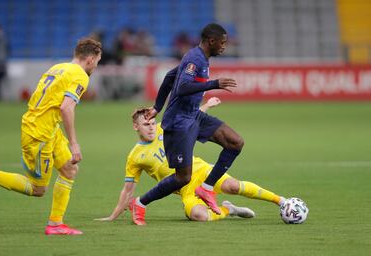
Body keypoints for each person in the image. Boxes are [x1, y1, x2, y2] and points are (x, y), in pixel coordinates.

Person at [0, 38, 102, 235]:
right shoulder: (80, 75)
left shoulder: (58, 67)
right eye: (97, 61)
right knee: (38, 189)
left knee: (70, 170)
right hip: (38, 135)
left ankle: (55, 224)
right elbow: (66, 107)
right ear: (90, 59)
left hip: (48, 128)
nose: (96, 65)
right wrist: (74, 144)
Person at [96, 99, 285, 224]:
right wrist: (113, 216)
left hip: (201, 170)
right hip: (184, 187)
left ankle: (281, 201)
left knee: (233, 186)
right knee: (199, 216)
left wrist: (207, 105)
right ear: (135, 127)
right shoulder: (135, 156)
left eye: (153, 123)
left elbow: (191, 119)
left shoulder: (166, 128)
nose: (152, 127)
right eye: (146, 125)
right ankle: (228, 210)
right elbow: (128, 190)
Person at [130, 23, 241, 225]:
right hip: (179, 123)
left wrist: (156, 107)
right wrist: (214, 84)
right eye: (222, 43)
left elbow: (169, 77)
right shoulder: (194, 58)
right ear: (211, 41)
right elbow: (182, 87)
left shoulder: (200, 58)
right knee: (183, 178)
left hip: (194, 116)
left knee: (235, 142)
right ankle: (139, 203)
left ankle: (206, 188)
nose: (225, 47)